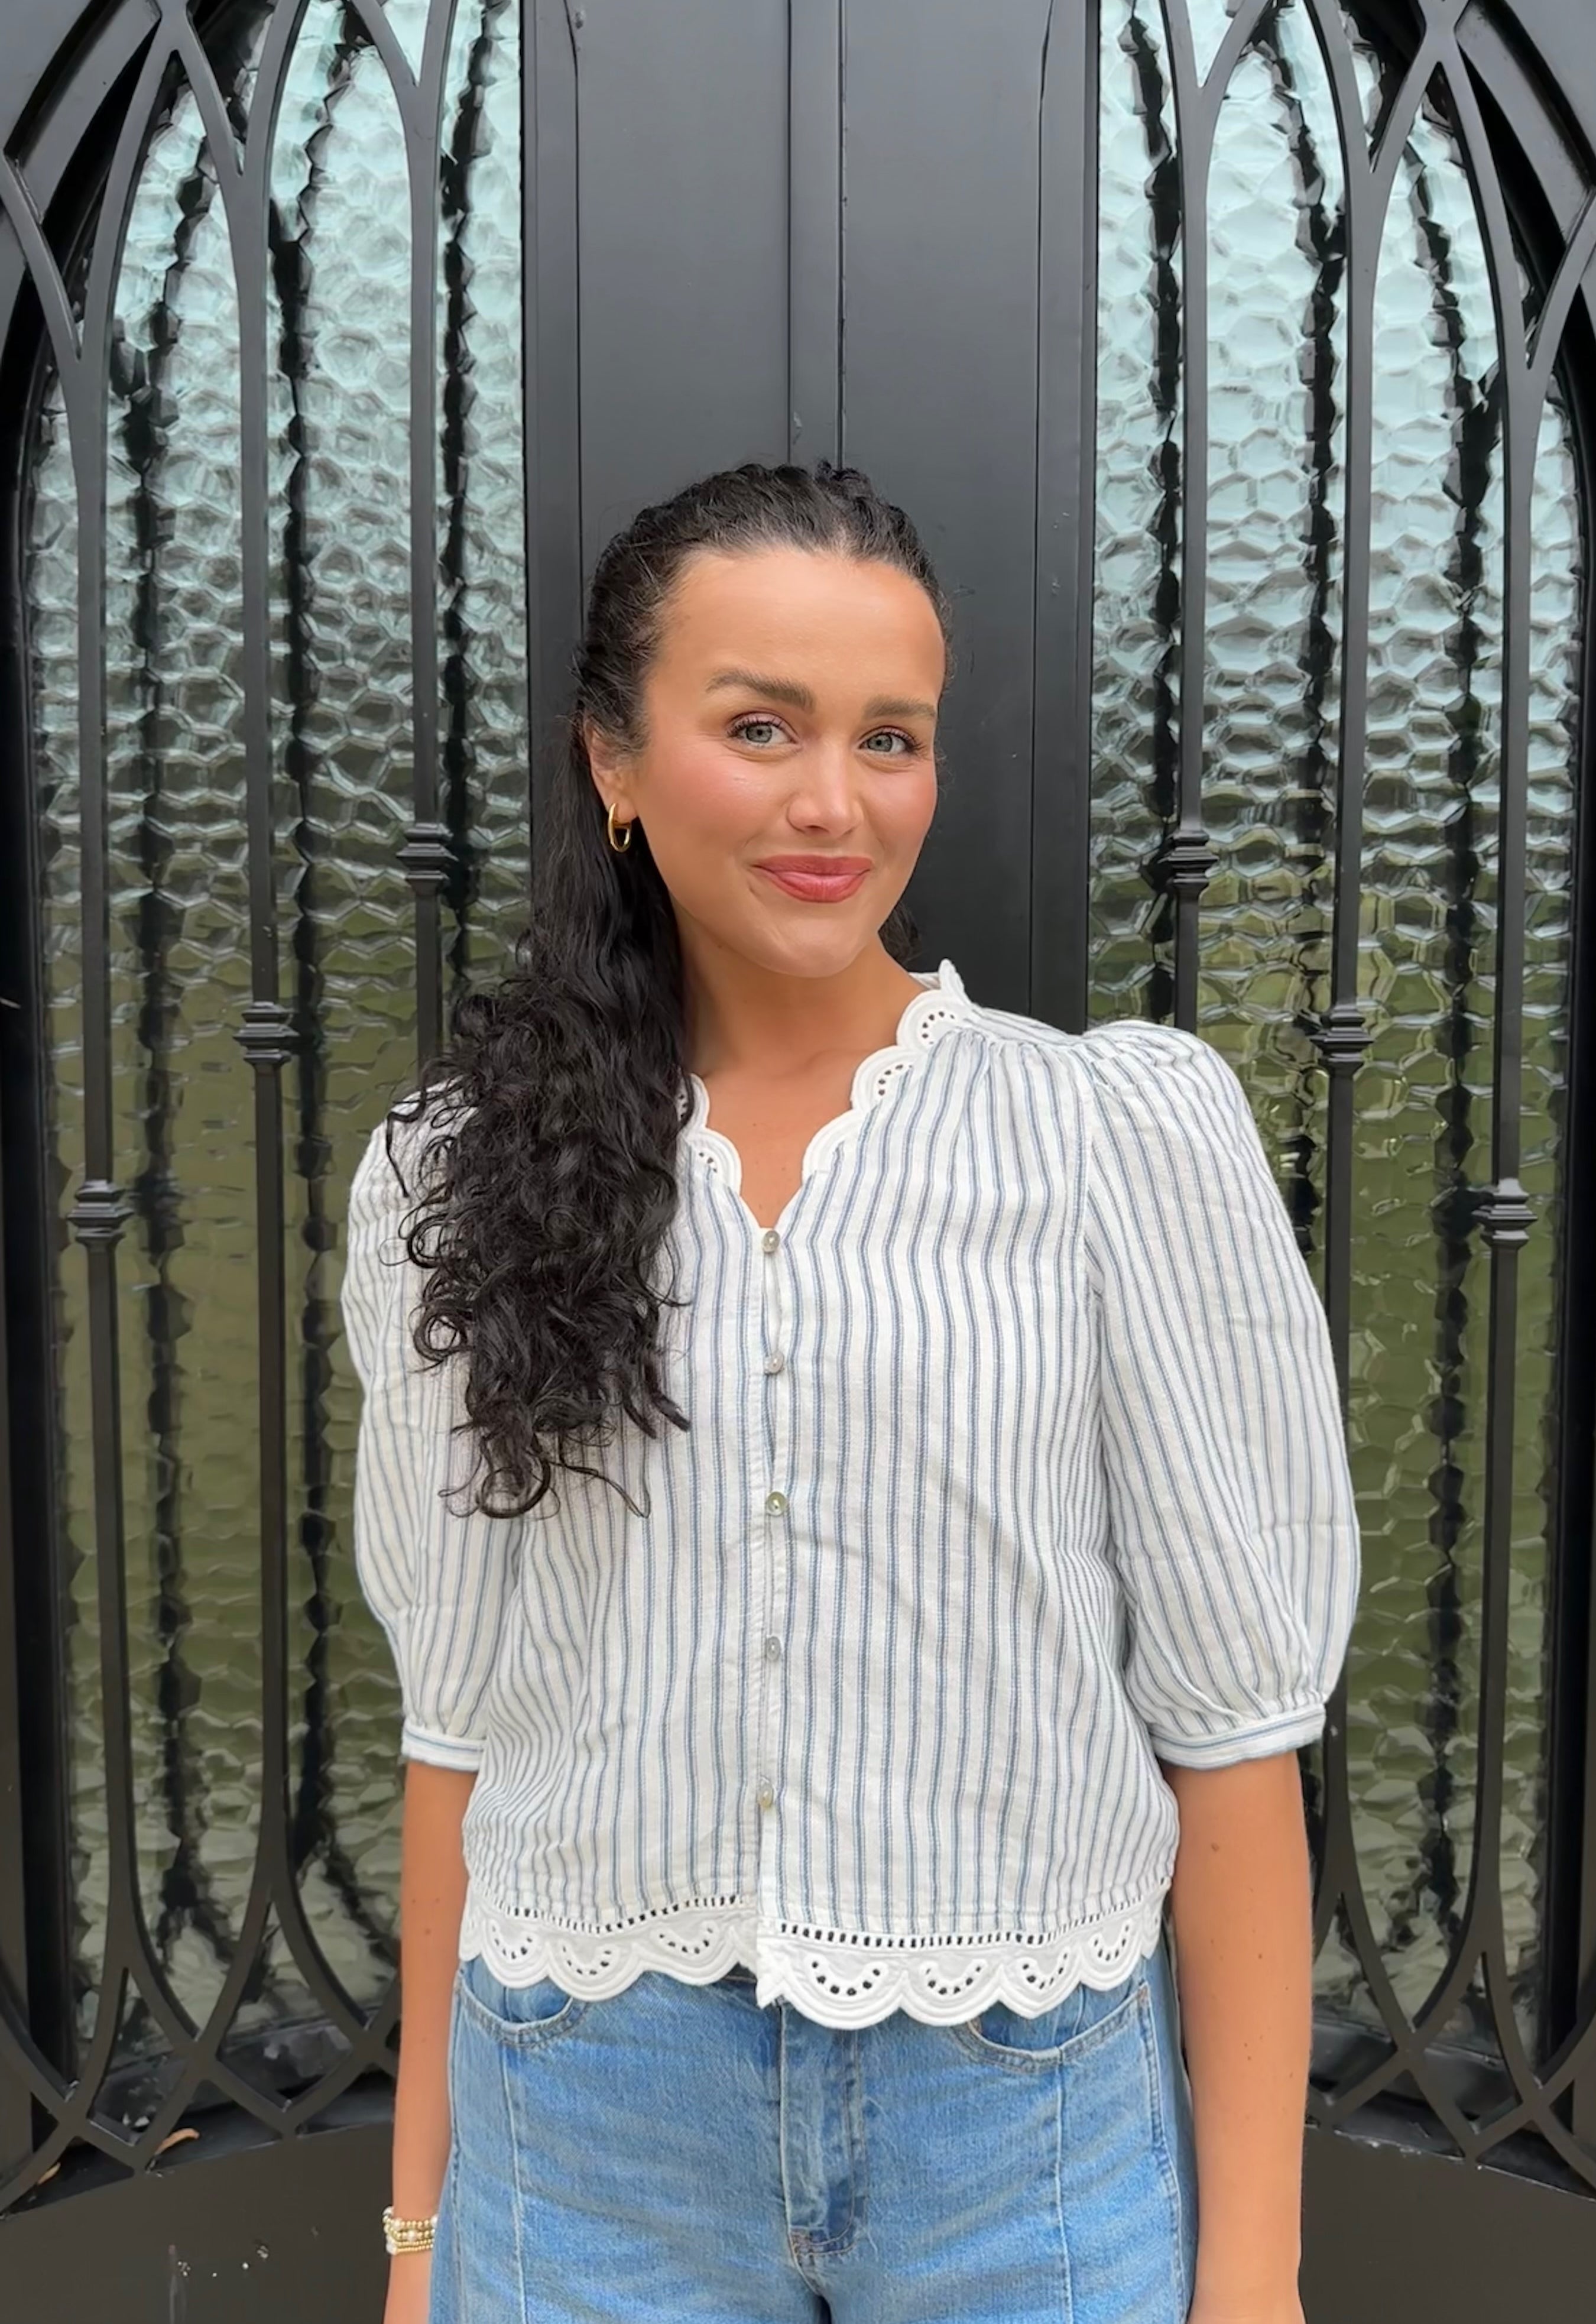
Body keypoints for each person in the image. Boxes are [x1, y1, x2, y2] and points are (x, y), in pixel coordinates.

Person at [341, 460, 1360, 2324]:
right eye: (759, 725)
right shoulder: (455, 1176)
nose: (835, 801)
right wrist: (415, 2246)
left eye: (891, 736)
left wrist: (1259, 2274)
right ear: (613, 764)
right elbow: (458, 1735)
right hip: (587, 2128)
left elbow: (1233, 1734)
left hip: (1026, 2132)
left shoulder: (1113, 1140)